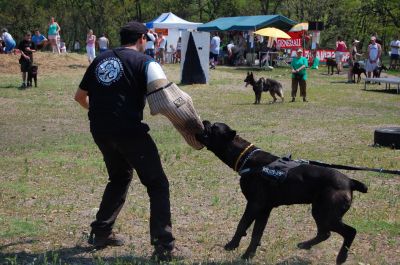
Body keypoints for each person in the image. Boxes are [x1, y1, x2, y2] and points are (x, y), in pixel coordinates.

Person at [74, 21, 203, 261]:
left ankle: (100, 233)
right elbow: (167, 101)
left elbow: (80, 97)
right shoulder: (146, 63)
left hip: (100, 130)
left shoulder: (100, 59)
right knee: (157, 184)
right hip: (129, 131)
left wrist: (103, 114)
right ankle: (164, 246)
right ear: (142, 38)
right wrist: (193, 128)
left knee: (119, 177)